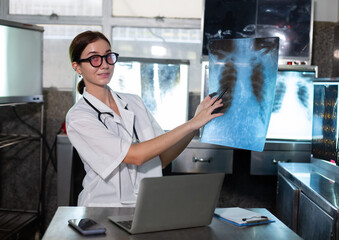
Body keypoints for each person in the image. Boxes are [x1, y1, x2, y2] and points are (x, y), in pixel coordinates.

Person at [66, 31, 224, 207]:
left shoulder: (134, 102)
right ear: (77, 67)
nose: (104, 65)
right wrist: (191, 124)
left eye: (108, 56)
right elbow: (137, 156)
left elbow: (162, 159)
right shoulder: (79, 117)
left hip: (146, 206)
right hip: (103, 209)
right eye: (94, 58)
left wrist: (195, 125)